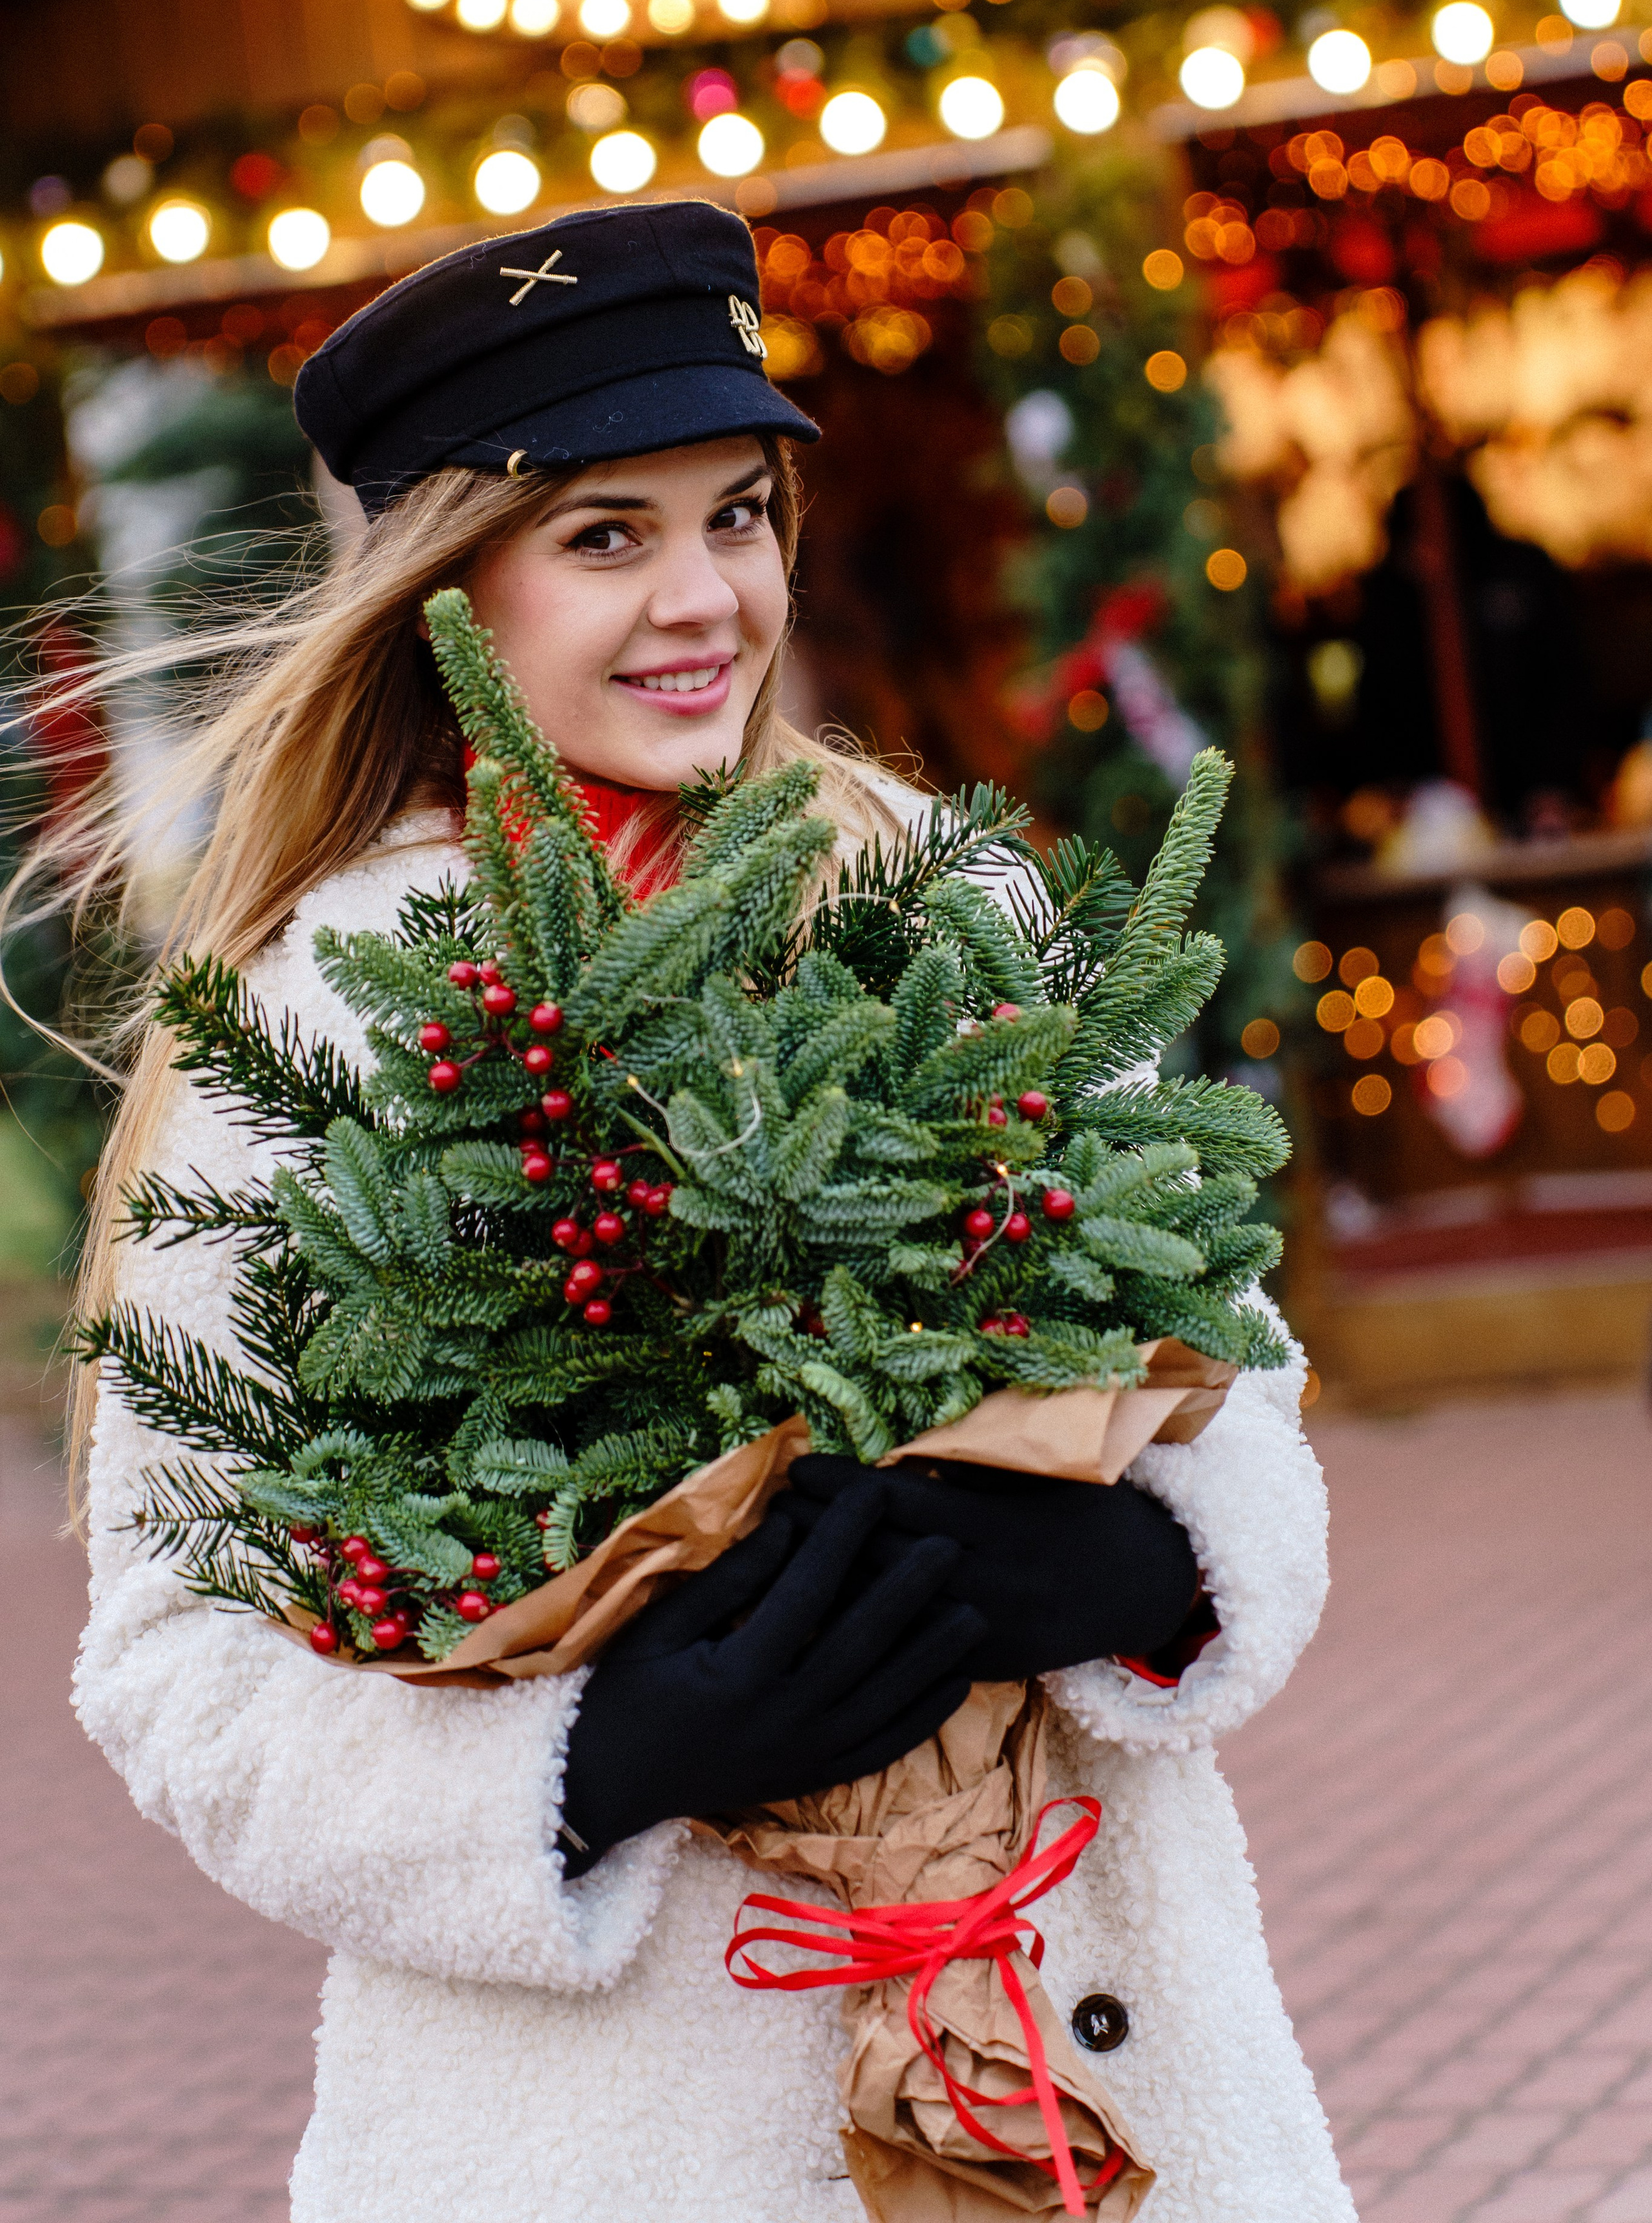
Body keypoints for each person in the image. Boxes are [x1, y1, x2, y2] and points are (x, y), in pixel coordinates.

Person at [60, 201, 1353, 2220]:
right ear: (448, 587)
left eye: (739, 513)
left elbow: (1237, 1362)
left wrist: (1140, 1571)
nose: (705, 598)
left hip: (1105, 2079)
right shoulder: (321, 1016)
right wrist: (598, 1755)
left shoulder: (943, 894)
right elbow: (174, 1656)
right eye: (608, 535)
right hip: (605, 2148)